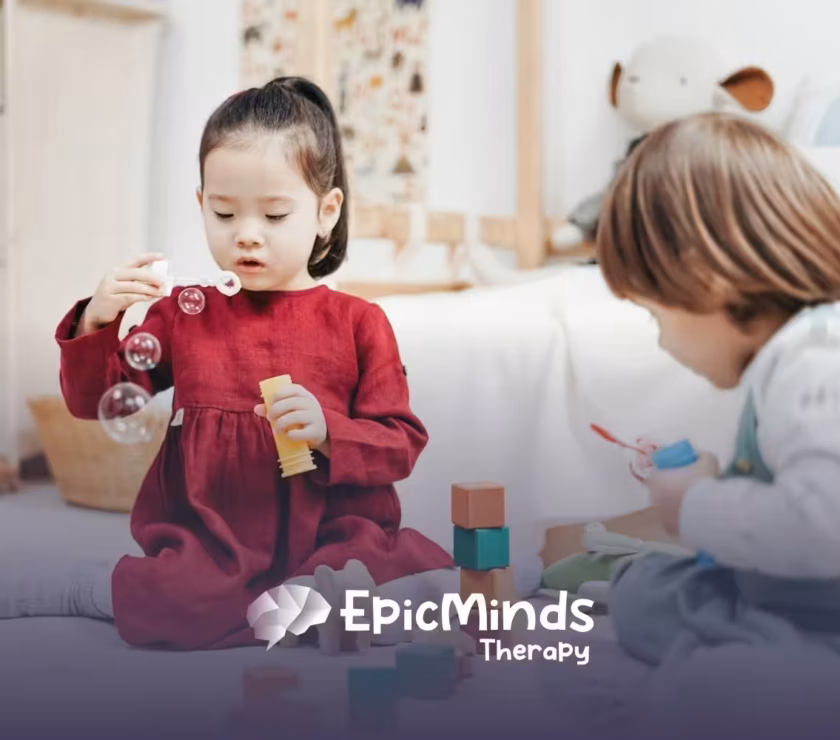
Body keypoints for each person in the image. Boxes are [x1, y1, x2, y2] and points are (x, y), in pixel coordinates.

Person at [1, 77, 457, 650]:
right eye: (223, 213)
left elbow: (400, 443)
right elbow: (95, 401)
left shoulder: (359, 322)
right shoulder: (183, 316)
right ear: (201, 205)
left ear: (326, 211)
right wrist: (97, 320)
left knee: (388, 575)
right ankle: (90, 590)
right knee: (180, 602)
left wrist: (327, 432)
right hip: (220, 544)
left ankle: (325, 605)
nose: (246, 236)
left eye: (273, 216)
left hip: (333, 536)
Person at [542, 112, 840, 740]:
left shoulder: (813, 363)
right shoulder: (794, 358)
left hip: (819, 619)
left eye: (655, 316)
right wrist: (709, 480)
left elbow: (824, 528)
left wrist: (698, 505)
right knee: (651, 590)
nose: (661, 340)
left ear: (706, 283)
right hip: (792, 598)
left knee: (711, 686)